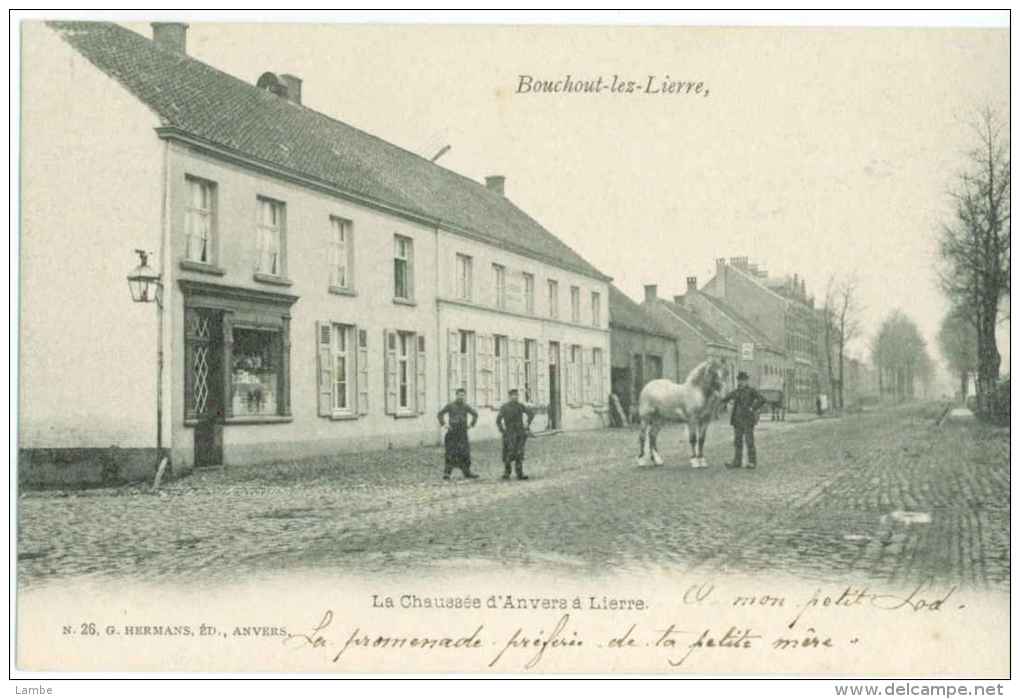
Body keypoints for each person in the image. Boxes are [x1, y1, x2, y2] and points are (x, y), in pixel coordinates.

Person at [720, 371, 767, 470]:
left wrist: (753, 408)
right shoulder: (736, 391)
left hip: (747, 420)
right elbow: (725, 398)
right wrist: (718, 398)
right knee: (737, 441)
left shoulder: (751, 391)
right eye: (739, 380)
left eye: (743, 380)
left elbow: (762, 399)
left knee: (749, 441)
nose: (741, 382)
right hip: (737, 420)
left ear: (746, 381)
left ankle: (752, 462)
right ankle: (737, 462)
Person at [437, 388, 479, 480]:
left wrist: (471, 425)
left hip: (463, 432)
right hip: (452, 432)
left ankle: (467, 472)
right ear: (456, 395)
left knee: (465, 452)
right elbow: (440, 414)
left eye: (463, 395)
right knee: (450, 452)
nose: (461, 397)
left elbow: (475, 414)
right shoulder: (450, 405)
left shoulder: (466, 406)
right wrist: (444, 424)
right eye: (459, 395)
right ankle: (447, 473)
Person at [496, 388, 535, 480]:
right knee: (508, 453)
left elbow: (531, 414)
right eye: (513, 395)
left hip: (520, 432)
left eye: (516, 395)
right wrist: (502, 430)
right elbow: (498, 420)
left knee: (519, 453)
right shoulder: (504, 407)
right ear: (509, 397)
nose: (515, 397)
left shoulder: (520, 406)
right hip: (509, 433)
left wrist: (527, 424)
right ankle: (507, 472)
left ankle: (520, 473)